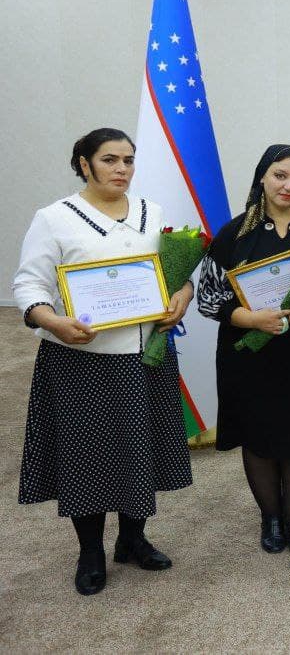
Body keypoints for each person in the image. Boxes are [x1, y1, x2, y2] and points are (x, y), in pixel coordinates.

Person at [15, 128, 195, 596]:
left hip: (147, 354)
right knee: (88, 456)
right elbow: (29, 287)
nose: (121, 169)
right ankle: (91, 551)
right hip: (82, 359)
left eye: (128, 160)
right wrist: (52, 322)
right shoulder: (55, 218)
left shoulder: (151, 212)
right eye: (110, 160)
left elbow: (175, 276)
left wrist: (182, 294)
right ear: (83, 163)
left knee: (142, 448)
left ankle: (132, 540)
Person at [197, 145, 290, 557]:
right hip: (248, 355)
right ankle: (270, 518)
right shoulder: (234, 234)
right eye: (280, 176)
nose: (289, 186)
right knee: (258, 437)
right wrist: (251, 319)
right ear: (262, 177)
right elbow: (207, 298)